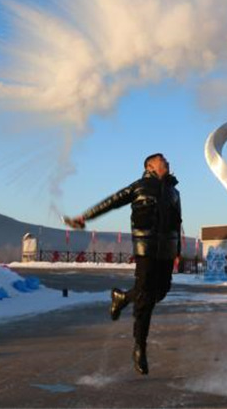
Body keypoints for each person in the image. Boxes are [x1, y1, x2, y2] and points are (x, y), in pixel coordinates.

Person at [66, 153, 182, 375]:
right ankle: (140, 347)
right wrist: (85, 217)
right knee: (145, 297)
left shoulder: (174, 191)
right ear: (150, 166)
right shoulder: (139, 186)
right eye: (162, 160)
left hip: (167, 249)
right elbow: (112, 201)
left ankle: (122, 297)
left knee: (161, 292)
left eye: (166, 160)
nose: (167, 162)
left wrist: (177, 251)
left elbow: (178, 221)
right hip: (146, 247)